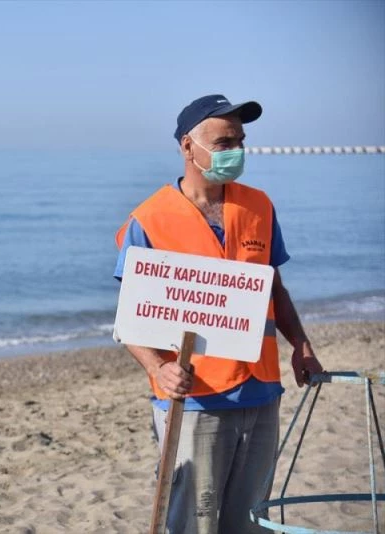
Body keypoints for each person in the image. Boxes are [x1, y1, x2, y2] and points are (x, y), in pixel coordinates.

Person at [113, 94, 323, 533]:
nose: (237, 151)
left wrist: (301, 345)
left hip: (262, 392)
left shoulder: (259, 206)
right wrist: (158, 368)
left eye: (240, 141)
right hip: (194, 401)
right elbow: (130, 319)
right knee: (194, 522)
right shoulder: (149, 219)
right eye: (224, 142)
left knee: (250, 522)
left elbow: (275, 289)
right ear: (188, 146)